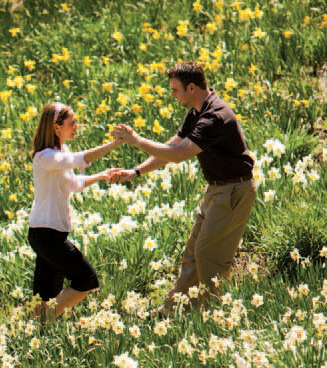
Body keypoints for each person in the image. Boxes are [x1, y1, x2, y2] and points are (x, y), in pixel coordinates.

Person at [110, 62, 256, 312]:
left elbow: (178, 154)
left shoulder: (215, 117)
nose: (172, 95)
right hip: (216, 191)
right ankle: (173, 312)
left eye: (175, 90)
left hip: (233, 192)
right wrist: (135, 172)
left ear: (191, 88)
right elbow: (170, 148)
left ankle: (216, 316)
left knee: (209, 257)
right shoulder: (197, 111)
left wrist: (135, 141)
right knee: (193, 253)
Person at [28, 102, 121, 319]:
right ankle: (44, 320)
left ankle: (35, 331)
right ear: (56, 127)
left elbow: (72, 184)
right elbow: (82, 159)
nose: (76, 127)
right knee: (86, 280)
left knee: (45, 295)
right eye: (72, 123)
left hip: (50, 233)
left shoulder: (60, 153)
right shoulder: (45, 157)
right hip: (46, 235)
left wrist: (101, 176)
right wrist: (114, 144)